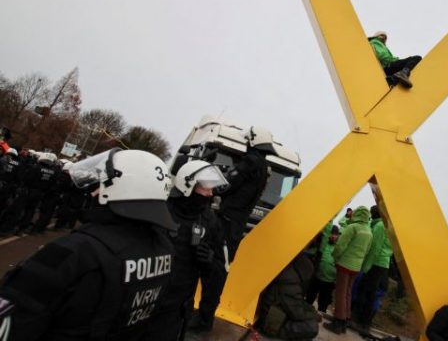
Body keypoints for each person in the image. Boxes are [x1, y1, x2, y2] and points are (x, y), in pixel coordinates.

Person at [0, 148, 178, 340]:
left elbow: (11, 323)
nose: (93, 191)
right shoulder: (164, 249)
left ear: (120, 187)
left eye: (99, 183)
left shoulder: (75, 252)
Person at [192, 125, 272, 333]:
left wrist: (206, 180)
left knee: (215, 270)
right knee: (216, 267)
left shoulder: (251, 162)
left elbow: (225, 185)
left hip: (226, 224)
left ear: (253, 140)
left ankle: (203, 321)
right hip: (234, 225)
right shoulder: (263, 167)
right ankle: (203, 318)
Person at [147, 159, 228, 341]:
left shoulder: (210, 221)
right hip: (146, 302)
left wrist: (210, 261)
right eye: (206, 188)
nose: (211, 193)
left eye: (212, 189)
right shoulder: (160, 209)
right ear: (187, 186)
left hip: (177, 309)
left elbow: (220, 271)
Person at [323, 205, 373, 335]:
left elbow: (340, 246)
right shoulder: (368, 231)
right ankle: (345, 319)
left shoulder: (352, 227)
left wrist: (335, 257)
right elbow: (367, 251)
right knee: (348, 292)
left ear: (357, 214)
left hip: (345, 265)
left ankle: (338, 322)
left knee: (340, 292)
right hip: (356, 267)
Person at [354, 204, 394, 333]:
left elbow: (375, 248)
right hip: (383, 264)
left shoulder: (380, 226)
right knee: (370, 293)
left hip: (375, 263)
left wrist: (366, 267)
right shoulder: (389, 226)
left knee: (365, 291)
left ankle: (361, 322)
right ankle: (364, 322)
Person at [306, 225, 340, 315]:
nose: (333, 236)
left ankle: (320, 316)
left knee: (323, 305)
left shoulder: (339, 247)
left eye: (335, 234)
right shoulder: (322, 244)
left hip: (329, 281)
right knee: (308, 300)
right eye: (331, 233)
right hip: (316, 277)